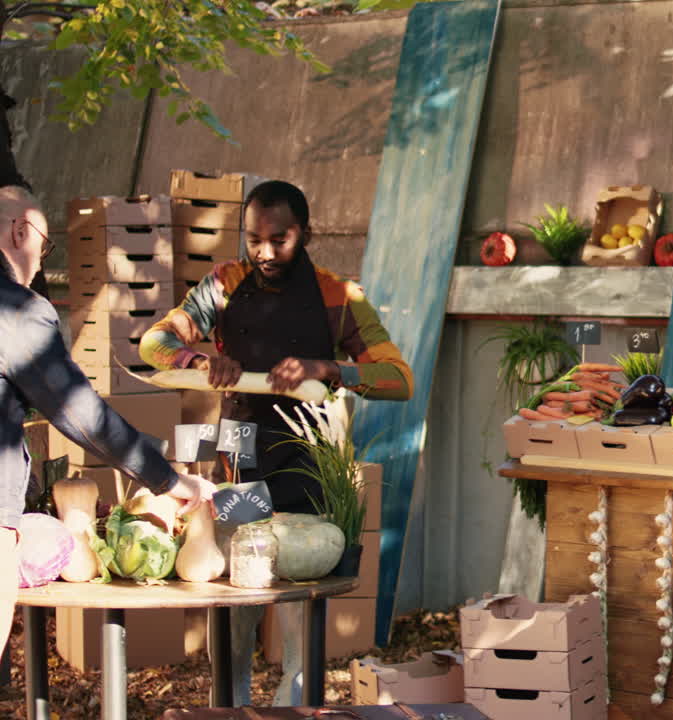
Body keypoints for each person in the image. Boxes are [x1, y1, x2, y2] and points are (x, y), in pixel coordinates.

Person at [140, 180, 412, 706]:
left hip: (310, 463)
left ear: (305, 233)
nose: (263, 252)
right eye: (253, 239)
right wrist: (200, 360)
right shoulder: (222, 284)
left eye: (279, 240)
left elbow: (399, 379)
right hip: (240, 453)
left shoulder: (340, 296)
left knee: (298, 614)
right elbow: (156, 342)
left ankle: (296, 707)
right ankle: (232, 707)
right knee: (239, 605)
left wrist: (329, 367)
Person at [0, 186, 215, 656]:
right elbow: (80, 415)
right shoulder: (15, 310)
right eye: (44, 242)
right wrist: (169, 480)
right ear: (20, 232)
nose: (40, 259)